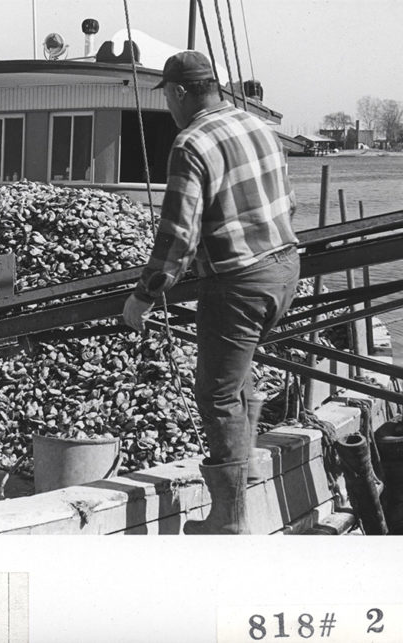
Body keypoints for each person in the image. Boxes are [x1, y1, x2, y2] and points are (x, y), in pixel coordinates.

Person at [122, 50, 300, 535]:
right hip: (285, 270)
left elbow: (177, 236)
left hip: (239, 282)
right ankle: (248, 472)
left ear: (180, 92)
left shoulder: (192, 142)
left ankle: (228, 519)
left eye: (169, 97)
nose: (171, 108)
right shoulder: (258, 125)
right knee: (236, 373)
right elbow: (288, 201)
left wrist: (143, 294)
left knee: (216, 393)